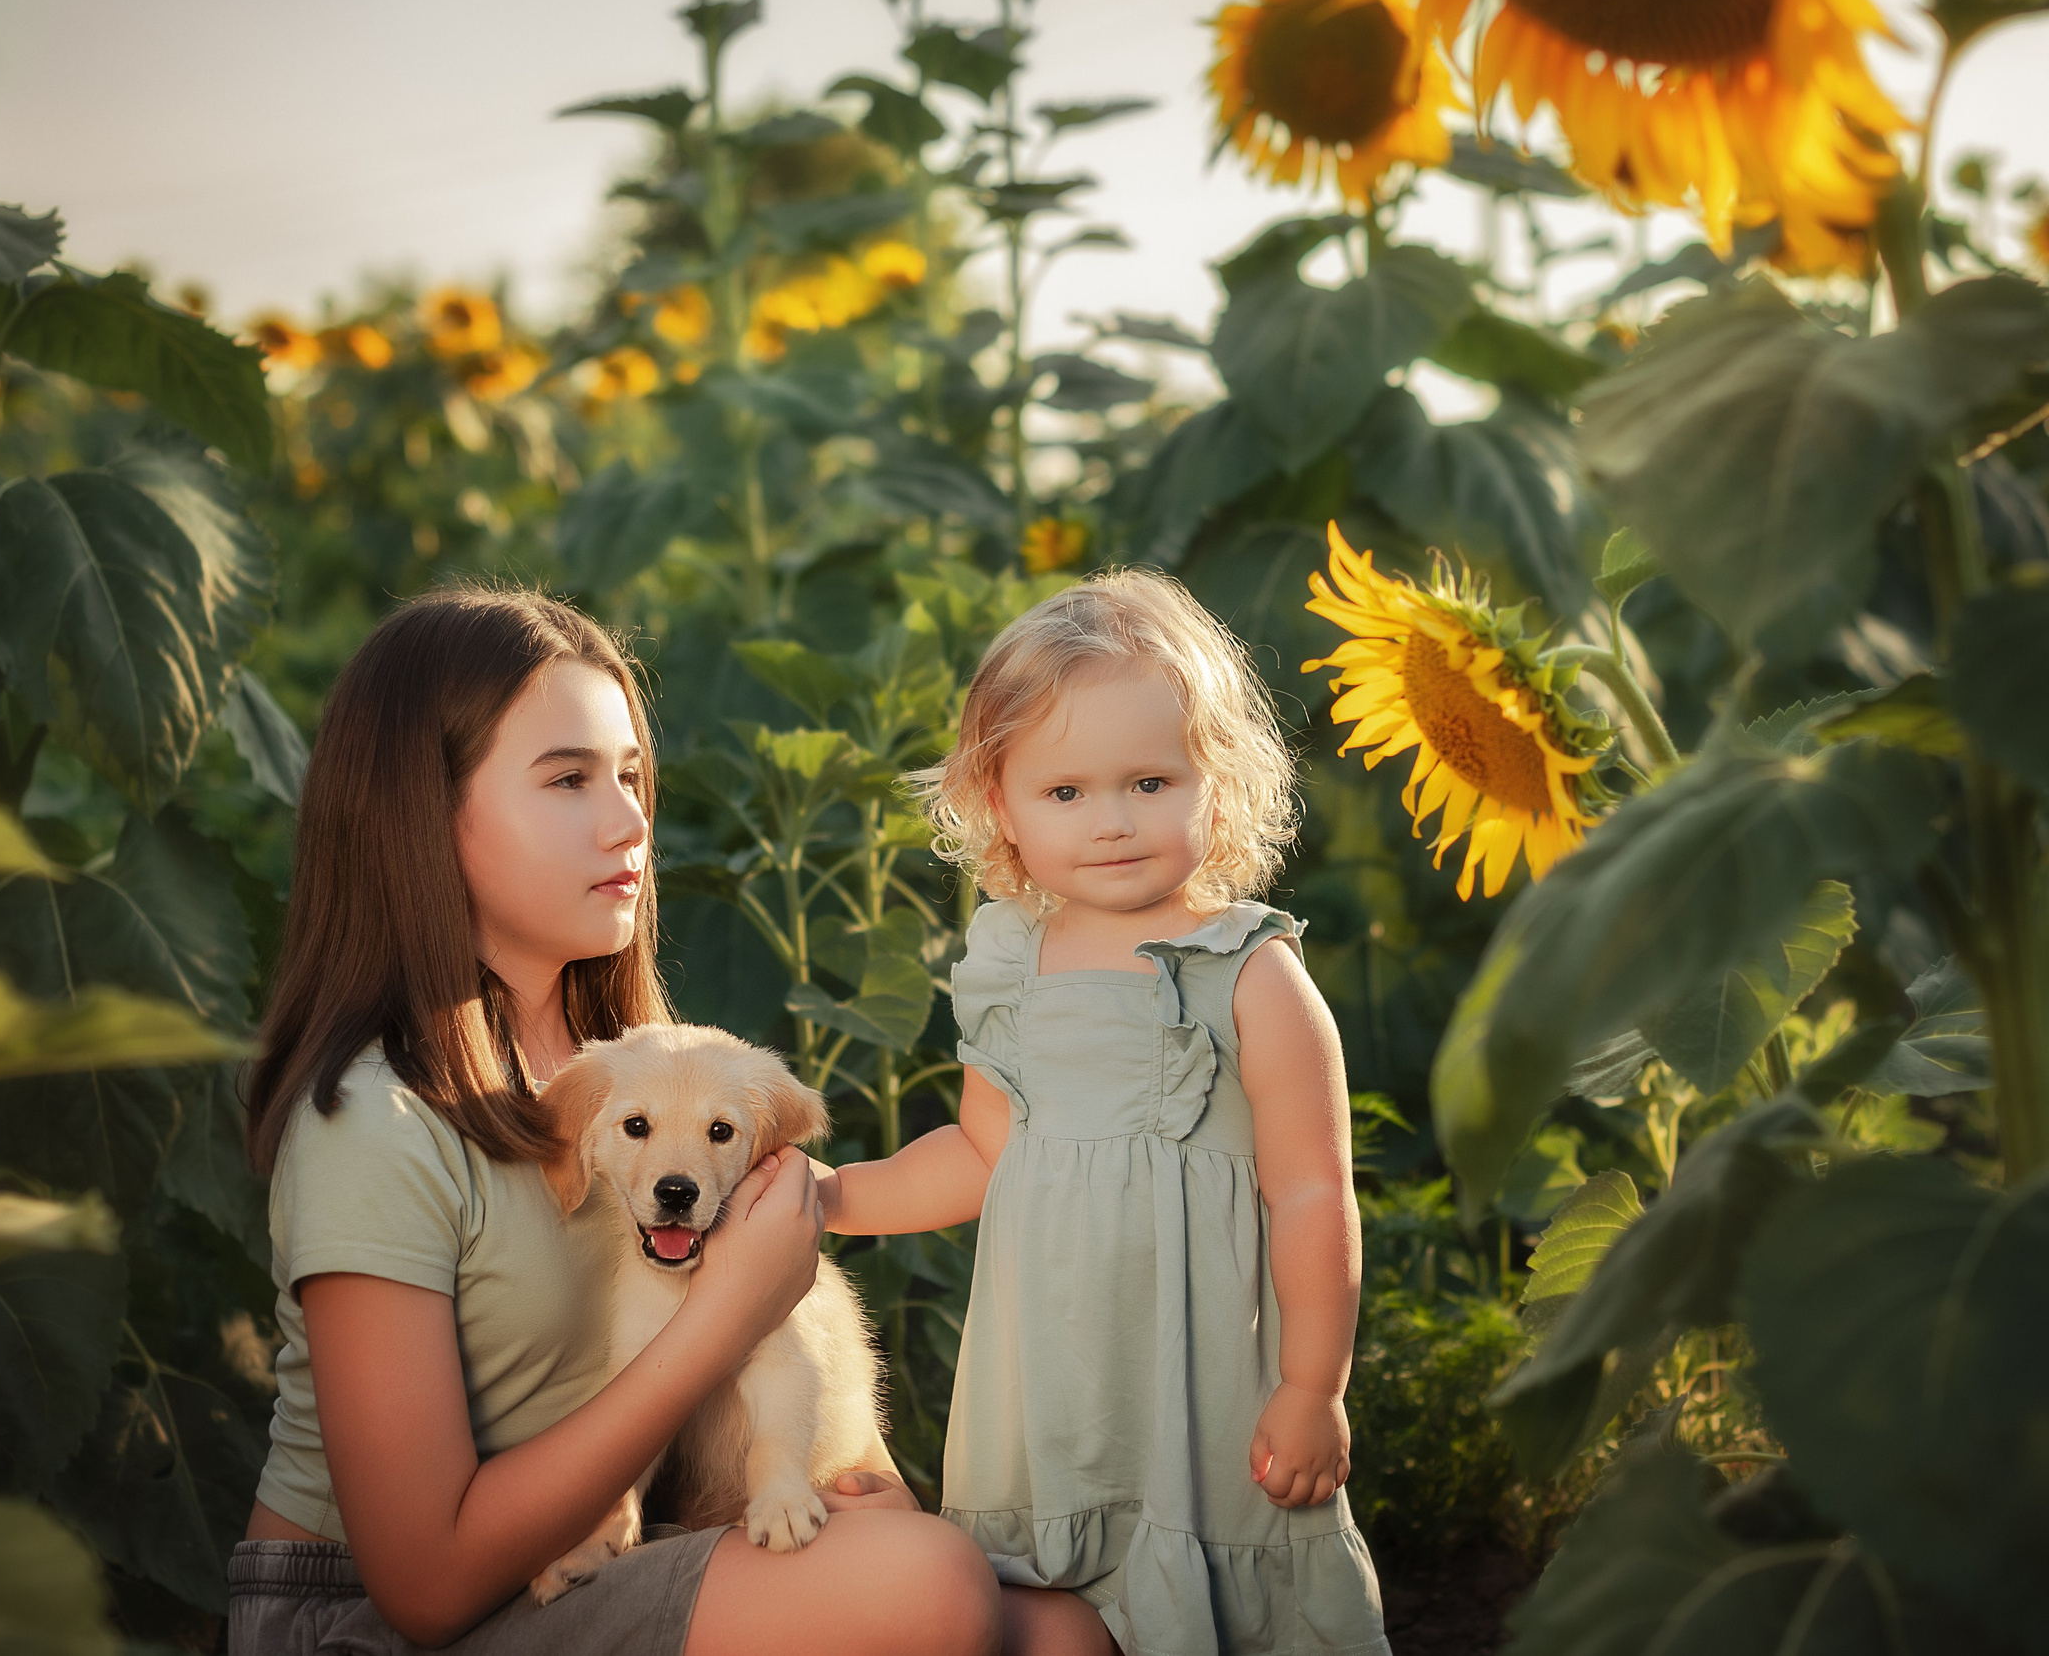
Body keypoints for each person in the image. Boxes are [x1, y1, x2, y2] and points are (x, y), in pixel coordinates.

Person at [227, 587, 1001, 1656]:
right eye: (567, 779)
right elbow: (424, 1582)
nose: (631, 818)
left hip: (604, 1547)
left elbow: (778, 1347)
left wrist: (838, 1473)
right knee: (931, 1591)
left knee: (1046, 1626)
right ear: (420, 811)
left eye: (632, 776)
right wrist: (722, 1317)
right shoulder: (378, 1121)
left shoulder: (648, 1075)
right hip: (365, 1613)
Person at [818, 571, 1390, 1655]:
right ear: (1000, 806)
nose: (1112, 822)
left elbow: (1312, 1189)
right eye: (1065, 792)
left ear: (1215, 783)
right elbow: (983, 1151)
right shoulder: (1007, 967)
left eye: (1149, 781)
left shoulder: (1246, 973)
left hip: (1199, 1378)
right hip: (1051, 1380)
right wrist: (833, 1198)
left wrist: (1314, 1385)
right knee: (1049, 1610)